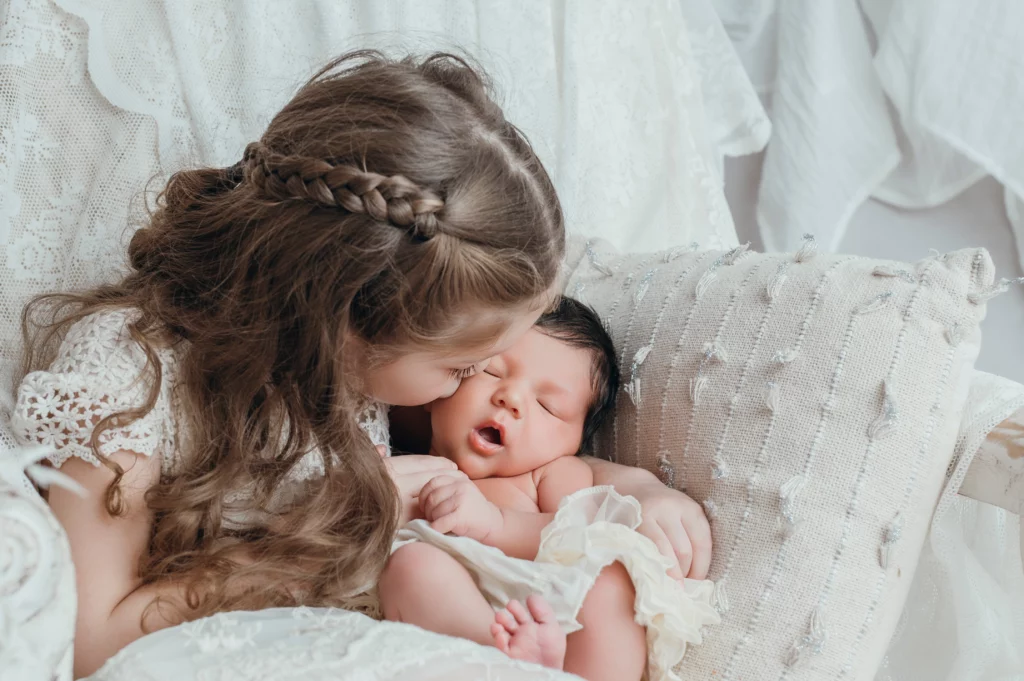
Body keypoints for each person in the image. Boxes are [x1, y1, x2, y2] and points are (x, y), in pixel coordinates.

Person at [10, 51, 710, 678]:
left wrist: (640, 491)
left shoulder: (359, 365)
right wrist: (340, 516)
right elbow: (91, 643)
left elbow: (502, 470)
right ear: (354, 319)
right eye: (467, 368)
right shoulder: (129, 380)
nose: (478, 389)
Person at [379, 298, 718, 681]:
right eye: (491, 371)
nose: (512, 398)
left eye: (547, 405)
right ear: (442, 385)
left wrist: (495, 524)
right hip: (465, 628)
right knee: (411, 567)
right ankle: (504, 659)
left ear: (572, 442)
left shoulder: (551, 474)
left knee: (611, 580)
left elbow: (581, 537)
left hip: (549, 617)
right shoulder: (405, 469)